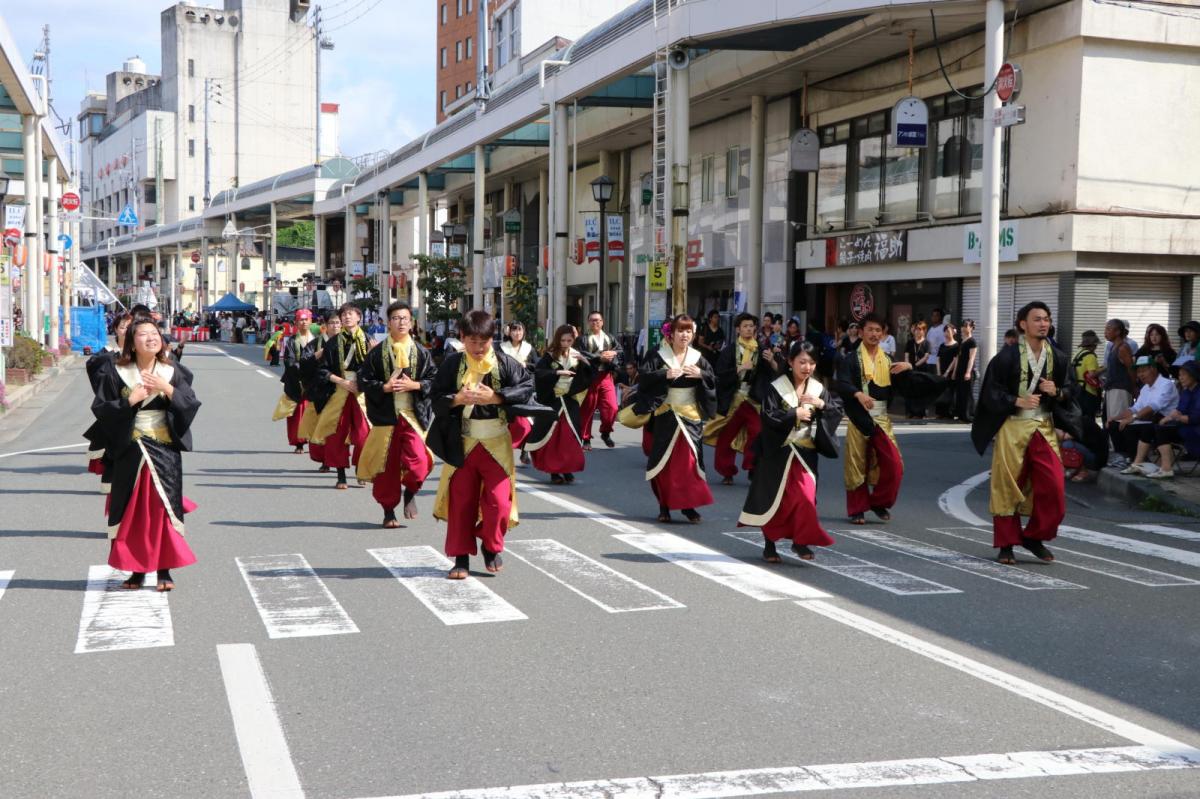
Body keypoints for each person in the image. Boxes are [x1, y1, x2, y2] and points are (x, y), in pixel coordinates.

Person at [90, 316, 201, 592]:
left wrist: (166, 389)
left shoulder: (173, 371)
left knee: (163, 508)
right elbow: (102, 410)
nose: (151, 338)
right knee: (133, 511)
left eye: (155, 333)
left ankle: (164, 569)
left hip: (164, 448)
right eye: (143, 334)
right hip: (130, 447)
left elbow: (189, 404)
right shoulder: (115, 372)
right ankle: (137, 569)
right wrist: (129, 401)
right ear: (132, 342)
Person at [427, 310, 539, 579]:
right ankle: (461, 558)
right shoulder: (453, 364)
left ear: (493, 339)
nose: (478, 348)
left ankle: (490, 545)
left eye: (484, 342)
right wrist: (456, 400)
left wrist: (498, 397)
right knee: (461, 502)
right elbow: (435, 396)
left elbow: (527, 386)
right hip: (462, 441)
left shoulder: (504, 362)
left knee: (499, 503)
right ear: (462, 338)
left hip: (496, 442)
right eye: (473, 341)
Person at [971, 301, 1080, 565]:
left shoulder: (1059, 357)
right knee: (1008, 486)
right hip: (1013, 427)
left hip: (1043, 426)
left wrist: (1058, 392)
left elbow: (1070, 389)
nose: (1043, 324)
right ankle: (1007, 544)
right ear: (1023, 324)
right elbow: (989, 393)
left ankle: (1033, 536)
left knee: (1054, 486)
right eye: (1037, 319)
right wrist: (1015, 401)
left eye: (1046, 319)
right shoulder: (1006, 357)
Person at [739, 341, 844, 563]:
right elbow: (768, 416)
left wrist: (822, 405)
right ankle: (769, 544)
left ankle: (800, 540)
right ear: (790, 361)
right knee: (775, 499)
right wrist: (793, 414)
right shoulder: (776, 386)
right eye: (802, 362)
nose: (807, 367)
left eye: (812, 363)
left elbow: (836, 411)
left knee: (805, 498)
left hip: (805, 451)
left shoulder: (817, 389)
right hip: (777, 451)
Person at [834, 313, 926, 524]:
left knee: (895, 464)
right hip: (859, 418)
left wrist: (910, 368)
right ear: (861, 331)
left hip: (881, 419)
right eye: (870, 330)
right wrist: (858, 394)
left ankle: (878, 502)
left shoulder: (888, 361)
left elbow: (905, 386)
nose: (874, 334)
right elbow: (842, 383)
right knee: (857, 464)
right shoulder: (850, 359)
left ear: (884, 334)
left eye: (878, 331)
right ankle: (857, 509)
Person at [628, 314, 716, 523]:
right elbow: (644, 378)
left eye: (688, 331)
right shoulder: (658, 355)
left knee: (690, 463)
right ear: (672, 333)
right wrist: (663, 375)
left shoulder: (698, 358)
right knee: (664, 463)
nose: (684, 335)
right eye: (680, 331)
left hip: (690, 415)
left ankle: (688, 505)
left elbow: (713, 380)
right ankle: (664, 505)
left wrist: (702, 376)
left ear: (693, 335)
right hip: (665, 414)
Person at [356, 301, 436, 527]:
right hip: (385, 418)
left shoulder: (421, 352)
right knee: (386, 467)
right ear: (388, 322)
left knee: (420, 462)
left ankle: (410, 491)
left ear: (411, 323)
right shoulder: (377, 353)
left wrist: (416, 386)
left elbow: (434, 379)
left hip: (412, 416)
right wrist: (384, 387)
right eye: (396, 318)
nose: (401, 322)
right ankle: (388, 510)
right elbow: (363, 380)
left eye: (405, 318)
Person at [310, 304, 372, 489]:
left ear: (359, 317)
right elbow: (322, 370)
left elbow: (376, 370)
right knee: (336, 435)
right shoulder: (333, 342)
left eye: (350, 314)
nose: (346, 317)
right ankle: (341, 474)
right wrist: (342, 382)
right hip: (340, 390)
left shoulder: (369, 340)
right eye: (343, 314)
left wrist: (361, 382)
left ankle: (362, 469)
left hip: (361, 393)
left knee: (364, 436)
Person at [705, 312, 772, 485]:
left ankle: (752, 467)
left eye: (751, 326)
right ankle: (726, 471)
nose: (749, 329)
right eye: (745, 326)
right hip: (733, 399)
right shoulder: (729, 351)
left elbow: (773, 374)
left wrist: (772, 362)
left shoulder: (762, 349)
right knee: (726, 437)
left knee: (757, 432)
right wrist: (740, 368)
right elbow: (718, 375)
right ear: (738, 329)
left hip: (753, 400)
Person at [527, 325, 593, 485]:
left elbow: (588, 376)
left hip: (570, 401)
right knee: (553, 437)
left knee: (569, 437)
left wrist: (586, 364)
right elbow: (539, 373)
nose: (566, 343)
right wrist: (556, 373)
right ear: (558, 339)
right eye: (563, 340)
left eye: (569, 340)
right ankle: (554, 472)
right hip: (553, 400)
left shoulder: (577, 356)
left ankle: (567, 468)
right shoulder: (549, 356)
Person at [83, 313, 133, 488]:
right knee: (114, 445)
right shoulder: (106, 354)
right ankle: (111, 481)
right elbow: (95, 373)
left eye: (129, 327)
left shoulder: (141, 354)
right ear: (115, 330)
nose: (126, 331)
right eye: (122, 327)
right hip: (116, 406)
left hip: (137, 408)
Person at [1109, 355, 1179, 469]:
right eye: (1138, 372)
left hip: (1163, 421)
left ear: (1153, 369)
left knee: (1129, 427)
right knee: (1113, 425)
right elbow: (1134, 408)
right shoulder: (1145, 388)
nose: (1140, 375)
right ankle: (1124, 457)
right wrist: (1116, 417)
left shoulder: (1166, 384)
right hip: (1147, 419)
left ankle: (1136, 460)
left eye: (1143, 371)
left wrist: (1133, 417)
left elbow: (1154, 406)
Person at [1133, 360, 1199, 479]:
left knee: (1161, 430)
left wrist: (1176, 417)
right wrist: (1168, 417)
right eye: (1179, 375)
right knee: (1152, 427)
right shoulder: (1186, 392)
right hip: (1184, 425)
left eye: (1183, 374)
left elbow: (1195, 418)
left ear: (1193, 375)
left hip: (1194, 429)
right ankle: (1137, 463)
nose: (1180, 378)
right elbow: (1179, 409)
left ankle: (1166, 468)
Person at [297, 314, 341, 471]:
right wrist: (318, 354)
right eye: (332, 323)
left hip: (340, 389)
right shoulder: (316, 344)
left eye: (338, 323)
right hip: (320, 389)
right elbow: (303, 363)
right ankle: (325, 460)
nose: (335, 326)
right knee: (319, 426)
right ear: (326, 326)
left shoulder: (348, 343)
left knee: (337, 427)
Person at [272, 309, 317, 454]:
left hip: (313, 382)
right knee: (297, 414)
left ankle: (314, 441)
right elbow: (289, 361)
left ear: (311, 321)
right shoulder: (292, 341)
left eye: (306, 319)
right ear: (296, 323)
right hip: (296, 381)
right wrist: (304, 369)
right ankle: (299, 443)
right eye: (300, 320)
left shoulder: (317, 340)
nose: (303, 322)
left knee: (314, 412)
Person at [578, 311, 621, 450]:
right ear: (588, 322)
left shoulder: (609, 337)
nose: (595, 322)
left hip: (606, 377)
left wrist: (613, 353)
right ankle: (585, 438)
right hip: (589, 378)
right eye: (592, 320)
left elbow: (620, 351)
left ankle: (606, 432)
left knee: (612, 407)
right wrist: (599, 358)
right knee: (588, 409)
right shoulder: (583, 339)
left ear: (602, 322)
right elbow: (581, 354)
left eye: (597, 320)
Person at [499, 321, 538, 464]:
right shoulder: (502, 348)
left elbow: (537, 365)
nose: (517, 333)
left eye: (520, 330)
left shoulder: (529, 348)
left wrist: (526, 365)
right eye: (514, 330)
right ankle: (505, 449)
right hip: (508, 389)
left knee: (527, 421)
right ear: (509, 332)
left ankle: (525, 450)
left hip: (525, 388)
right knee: (509, 422)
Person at [1101, 319, 1137, 429]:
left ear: (1117, 332)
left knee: (1118, 421)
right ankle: (1114, 445)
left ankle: (1121, 445)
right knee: (1111, 421)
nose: (1105, 332)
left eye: (1108, 329)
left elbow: (1131, 369)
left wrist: (1134, 387)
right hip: (1111, 388)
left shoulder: (1123, 347)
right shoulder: (1112, 346)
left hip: (1120, 389)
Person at [902, 320, 932, 419]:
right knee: (910, 391)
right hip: (910, 369)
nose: (918, 332)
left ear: (924, 331)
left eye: (920, 330)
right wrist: (908, 365)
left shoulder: (927, 343)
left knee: (921, 391)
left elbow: (926, 357)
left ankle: (921, 412)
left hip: (922, 369)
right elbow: (906, 355)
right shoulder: (910, 342)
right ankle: (910, 412)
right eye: (916, 329)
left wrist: (915, 365)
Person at [1071, 330, 1103, 420]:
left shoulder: (1078, 354)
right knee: (1089, 419)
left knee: (1079, 419)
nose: (1096, 347)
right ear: (1092, 345)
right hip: (1088, 392)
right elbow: (1091, 375)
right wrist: (1104, 368)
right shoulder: (1090, 356)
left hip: (1077, 389)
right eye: (1095, 344)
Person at [953, 319, 978, 423]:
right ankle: (961, 415)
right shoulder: (961, 341)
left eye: (966, 326)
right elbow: (958, 358)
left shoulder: (972, 341)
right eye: (963, 326)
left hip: (968, 370)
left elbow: (971, 358)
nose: (964, 328)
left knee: (967, 393)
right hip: (960, 369)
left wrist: (968, 372)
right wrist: (955, 371)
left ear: (971, 328)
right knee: (960, 393)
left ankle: (968, 416)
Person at [935, 322, 960, 419]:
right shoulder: (942, 345)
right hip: (941, 371)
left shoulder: (956, 345)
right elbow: (938, 359)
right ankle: (940, 412)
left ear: (953, 332)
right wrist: (938, 372)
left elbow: (955, 360)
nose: (946, 333)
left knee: (950, 392)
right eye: (945, 331)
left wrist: (948, 372)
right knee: (941, 391)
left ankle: (950, 412)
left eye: (948, 331)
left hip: (950, 371)